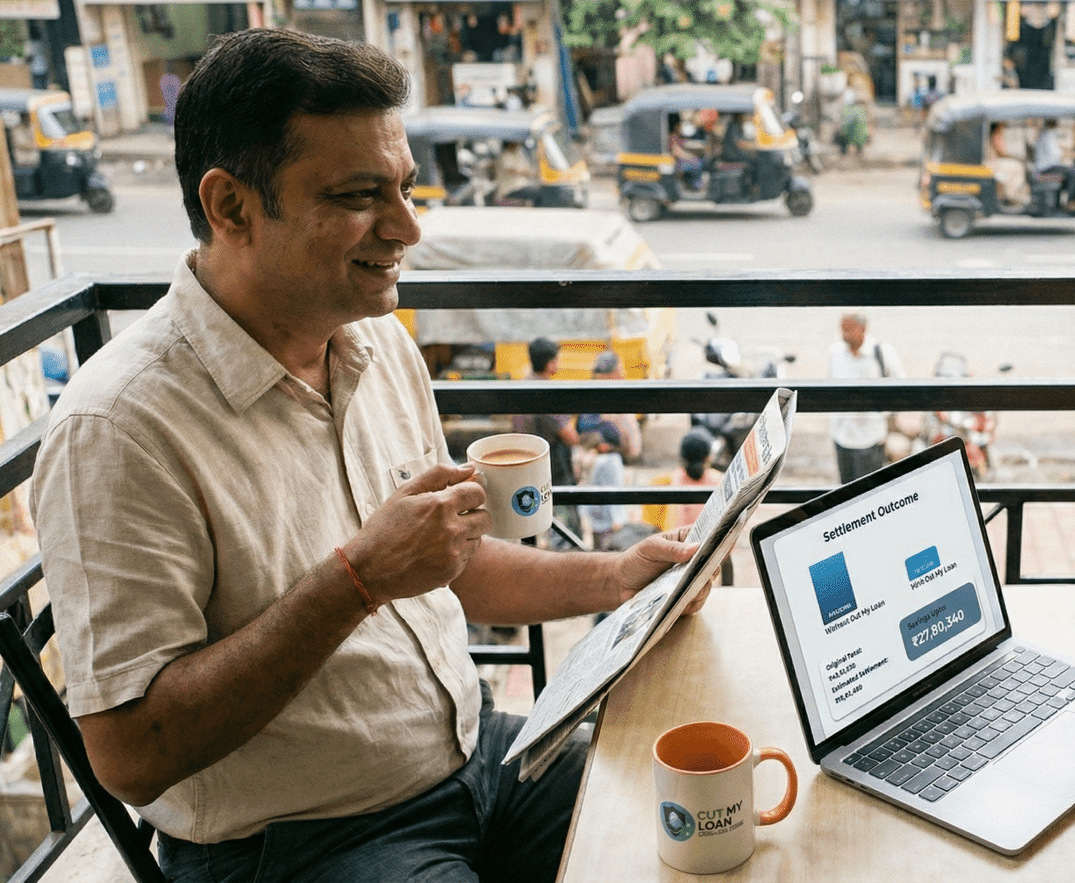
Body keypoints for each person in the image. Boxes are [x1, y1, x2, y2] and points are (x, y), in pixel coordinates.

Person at [28, 29, 700, 883]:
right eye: (358, 196)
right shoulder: (118, 427)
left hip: (477, 755)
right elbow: (129, 753)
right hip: (304, 842)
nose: (408, 227)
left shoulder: (376, 345)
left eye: (407, 189)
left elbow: (447, 564)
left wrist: (620, 579)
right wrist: (356, 580)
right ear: (232, 207)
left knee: (698, 837)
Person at [511, 337, 581, 542]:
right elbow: (570, 436)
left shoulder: (521, 387)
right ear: (550, 363)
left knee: (526, 514)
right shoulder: (547, 392)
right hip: (551, 467)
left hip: (523, 461)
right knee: (563, 521)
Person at [827, 311, 905, 483]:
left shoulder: (882, 352)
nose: (844, 335)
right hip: (842, 435)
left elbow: (900, 389)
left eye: (848, 329)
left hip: (871, 436)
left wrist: (881, 415)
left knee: (869, 491)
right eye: (842, 330)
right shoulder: (835, 353)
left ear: (862, 329)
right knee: (846, 491)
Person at [578, 420, 629, 551]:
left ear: (604, 445)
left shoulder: (605, 462)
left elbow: (610, 488)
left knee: (604, 550)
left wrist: (617, 518)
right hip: (602, 517)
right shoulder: (614, 459)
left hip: (606, 519)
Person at [989, 122, 1029, 208]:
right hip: (993, 163)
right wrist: (1015, 157)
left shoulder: (998, 135)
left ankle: (1009, 194)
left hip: (995, 161)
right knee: (1017, 167)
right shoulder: (996, 135)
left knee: (1015, 166)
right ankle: (1010, 195)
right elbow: (1001, 152)